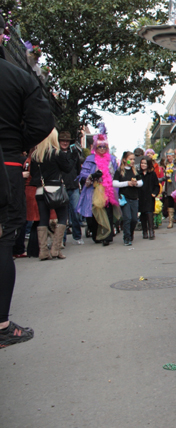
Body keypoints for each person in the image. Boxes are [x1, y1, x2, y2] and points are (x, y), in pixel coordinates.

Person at [0, 57, 54, 348]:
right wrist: (18, 142)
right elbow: (42, 122)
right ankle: (2, 326)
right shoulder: (18, 77)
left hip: (8, 159)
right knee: (2, 242)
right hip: (6, 162)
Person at [29, 129, 72, 260]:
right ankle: (56, 249)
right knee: (62, 217)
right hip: (55, 189)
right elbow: (68, 168)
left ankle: (43, 252)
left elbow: (32, 173)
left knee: (43, 219)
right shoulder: (56, 153)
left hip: (40, 190)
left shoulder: (36, 154)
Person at [77, 125, 119, 247]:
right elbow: (83, 174)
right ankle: (96, 234)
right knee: (93, 215)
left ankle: (108, 236)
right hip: (93, 189)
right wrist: (92, 175)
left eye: (104, 147)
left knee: (108, 212)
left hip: (108, 189)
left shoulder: (111, 159)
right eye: (99, 147)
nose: (101, 149)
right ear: (95, 147)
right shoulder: (90, 159)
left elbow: (116, 174)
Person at [58, 131, 84, 245]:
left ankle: (77, 236)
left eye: (66, 141)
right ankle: (62, 239)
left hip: (73, 186)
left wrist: (78, 182)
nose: (64, 143)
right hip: (61, 187)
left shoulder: (74, 154)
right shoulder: (56, 154)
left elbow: (78, 170)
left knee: (76, 213)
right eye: (62, 140)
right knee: (62, 215)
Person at [113, 151, 143, 246]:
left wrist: (136, 183)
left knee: (134, 219)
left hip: (134, 198)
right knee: (127, 218)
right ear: (125, 160)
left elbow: (141, 182)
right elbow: (114, 183)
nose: (132, 161)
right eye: (130, 159)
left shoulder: (135, 171)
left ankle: (130, 233)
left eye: (133, 159)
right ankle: (126, 237)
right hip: (124, 198)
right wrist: (127, 183)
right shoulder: (119, 171)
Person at [138, 157, 159, 240]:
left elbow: (156, 185)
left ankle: (151, 230)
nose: (143, 165)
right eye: (142, 163)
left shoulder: (152, 174)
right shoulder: (138, 174)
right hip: (141, 196)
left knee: (149, 213)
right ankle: (144, 231)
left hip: (149, 196)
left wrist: (154, 193)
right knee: (143, 214)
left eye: (145, 163)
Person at [161, 152, 176, 229]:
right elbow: (165, 176)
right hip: (169, 186)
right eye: (167, 156)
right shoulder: (166, 165)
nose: (169, 158)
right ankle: (171, 221)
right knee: (170, 202)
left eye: (170, 156)